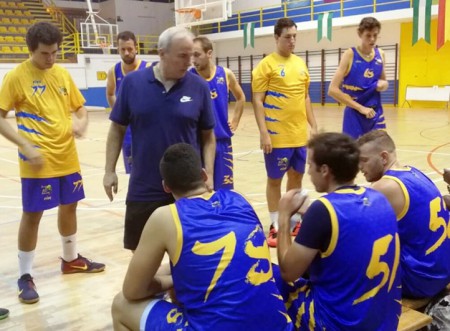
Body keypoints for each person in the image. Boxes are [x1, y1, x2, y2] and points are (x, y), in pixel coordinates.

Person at [111, 143, 294, 331]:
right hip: (280, 326)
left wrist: (172, 280)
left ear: (166, 187)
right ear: (204, 175)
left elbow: (132, 291)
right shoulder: (238, 199)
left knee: (121, 305)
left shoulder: (166, 217)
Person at [0, 22, 105, 305]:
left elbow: (79, 107)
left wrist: (82, 121)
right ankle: (24, 275)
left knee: (69, 206)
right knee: (32, 215)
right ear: (31, 50)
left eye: (55, 53)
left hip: (67, 157)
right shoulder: (16, 77)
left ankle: (70, 259)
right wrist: (24, 145)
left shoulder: (61, 74)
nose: (51, 59)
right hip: (36, 161)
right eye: (45, 54)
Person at [104, 26, 216, 251]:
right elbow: (117, 129)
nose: (189, 61)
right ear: (162, 53)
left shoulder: (199, 87)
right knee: (141, 257)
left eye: (193, 55)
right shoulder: (132, 84)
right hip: (144, 185)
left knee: (190, 255)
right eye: (182, 56)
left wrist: (209, 174)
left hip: (188, 188)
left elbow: (208, 137)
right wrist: (109, 170)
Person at [276, 132, 401, 330]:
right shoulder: (379, 196)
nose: (308, 172)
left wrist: (283, 218)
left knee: (271, 275)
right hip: (386, 319)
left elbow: (288, 273)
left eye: (310, 165)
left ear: (324, 170)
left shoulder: (323, 210)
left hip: (342, 324)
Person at [358, 130, 450, 298]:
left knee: (351, 253)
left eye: (364, 161)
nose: (360, 167)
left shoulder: (385, 186)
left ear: (383, 157)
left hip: (420, 280)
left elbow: (352, 229)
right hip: (442, 269)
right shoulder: (415, 172)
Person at [251, 17, 318, 247]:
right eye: (288, 37)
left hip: (299, 135)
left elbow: (306, 96)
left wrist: (314, 125)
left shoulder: (300, 64)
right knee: (274, 180)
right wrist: (264, 132)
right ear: (276, 37)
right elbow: (258, 101)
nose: (292, 41)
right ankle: (275, 224)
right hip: (277, 136)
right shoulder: (266, 65)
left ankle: (293, 219)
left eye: (295, 37)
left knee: (296, 178)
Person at [190, 35, 245, 190]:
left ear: (209, 53)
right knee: (201, 191)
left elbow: (241, 97)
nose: (193, 60)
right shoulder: (188, 78)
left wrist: (234, 121)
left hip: (222, 142)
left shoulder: (225, 74)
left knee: (224, 191)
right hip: (198, 144)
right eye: (191, 55)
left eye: (197, 54)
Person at [328, 17, 389, 139]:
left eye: (375, 35)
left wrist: (383, 85)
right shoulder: (350, 54)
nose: (372, 39)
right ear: (360, 34)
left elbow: (384, 82)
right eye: (368, 35)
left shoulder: (380, 54)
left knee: (377, 151)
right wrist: (361, 108)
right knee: (354, 154)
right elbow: (332, 90)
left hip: (375, 114)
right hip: (354, 114)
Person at [106, 31, 150, 174]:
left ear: (136, 48)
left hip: (147, 127)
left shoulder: (148, 68)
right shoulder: (114, 71)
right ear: (118, 50)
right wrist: (119, 112)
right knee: (133, 173)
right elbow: (110, 93)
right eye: (122, 49)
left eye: (130, 49)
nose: (126, 53)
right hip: (128, 131)